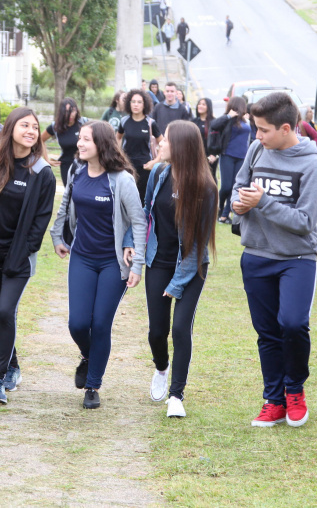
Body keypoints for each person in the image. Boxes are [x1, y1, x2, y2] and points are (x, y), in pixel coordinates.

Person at [231, 92, 317, 429]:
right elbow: (238, 187)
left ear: (285, 128)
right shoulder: (258, 150)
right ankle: (273, 400)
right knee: (267, 332)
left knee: (292, 324)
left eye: (263, 130)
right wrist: (239, 205)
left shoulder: (313, 165)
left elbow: (304, 221)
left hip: (296, 258)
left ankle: (295, 390)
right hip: (256, 255)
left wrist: (262, 202)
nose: (256, 137)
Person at [50, 121, 147, 409]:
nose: (79, 144)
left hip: (112, 262)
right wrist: (57, 236)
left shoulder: (121, 180)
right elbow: (66, 204)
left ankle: (92, 385)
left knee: (101, 323)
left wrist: (138, 264)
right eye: (79, 139)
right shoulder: (76, 171)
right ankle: (88, 355)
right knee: (78, 323)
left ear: (101, 144)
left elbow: (139, 221)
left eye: (86, 140)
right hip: (82, 256)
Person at [0, 107, 57, 404]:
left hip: (19, 257)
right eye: (25, 125)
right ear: (10, 128)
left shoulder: (42, 172)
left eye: (35, 127)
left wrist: (24, 251)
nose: (32, 131)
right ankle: (13, 366)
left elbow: (40, 221)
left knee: (6, 311)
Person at [139, 120, 218, 418]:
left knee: (180, 328)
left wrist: (177, 283)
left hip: (191, 266)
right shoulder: (159, 173)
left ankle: (176, 395)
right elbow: (146, 214)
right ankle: (161, 367)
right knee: (157, 332)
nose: (160, 143)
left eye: (166, 140)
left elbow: (198, 246)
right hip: (158, 260)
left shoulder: (206, 188)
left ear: (182, 146)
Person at [210, 96, 251, 223]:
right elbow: (214, 125)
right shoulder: (227, 119)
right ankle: (220, 209)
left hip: (242, 157)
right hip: (228, 155)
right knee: (226, 186)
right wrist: (229, 116)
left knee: (235, 187)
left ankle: (225, 215)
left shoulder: (246, 121)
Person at [117, 88, 161, 200]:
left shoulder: (151, 123)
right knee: (126, 199)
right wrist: (118, 156)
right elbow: (118, 138)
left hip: (145, 168)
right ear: (129, 103)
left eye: (139, 102)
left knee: (143, 200)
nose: (136, 105)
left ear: (144, 104)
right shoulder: (124, 121)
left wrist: (155, 161)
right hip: (127, 167)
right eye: (133, 101)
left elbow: (164, 144)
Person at [42, 97, 84, 185]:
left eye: (73, 111)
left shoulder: (83, 123)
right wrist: (47, 159)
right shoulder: (55, 127)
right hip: (66, 165)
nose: (70, 115)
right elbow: (40, 140)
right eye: (66, 112)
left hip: (84, 164)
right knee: (70, 193)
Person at [192, 97, 218, 183]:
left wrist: (214, 155)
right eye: (199, 104)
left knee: (210, 179)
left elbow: (218, 140)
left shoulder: (214, 122)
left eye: (203, 104)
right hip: (196, 156)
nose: (200, 106)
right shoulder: (193, 122)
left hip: (210, 157)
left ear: (208, 107)